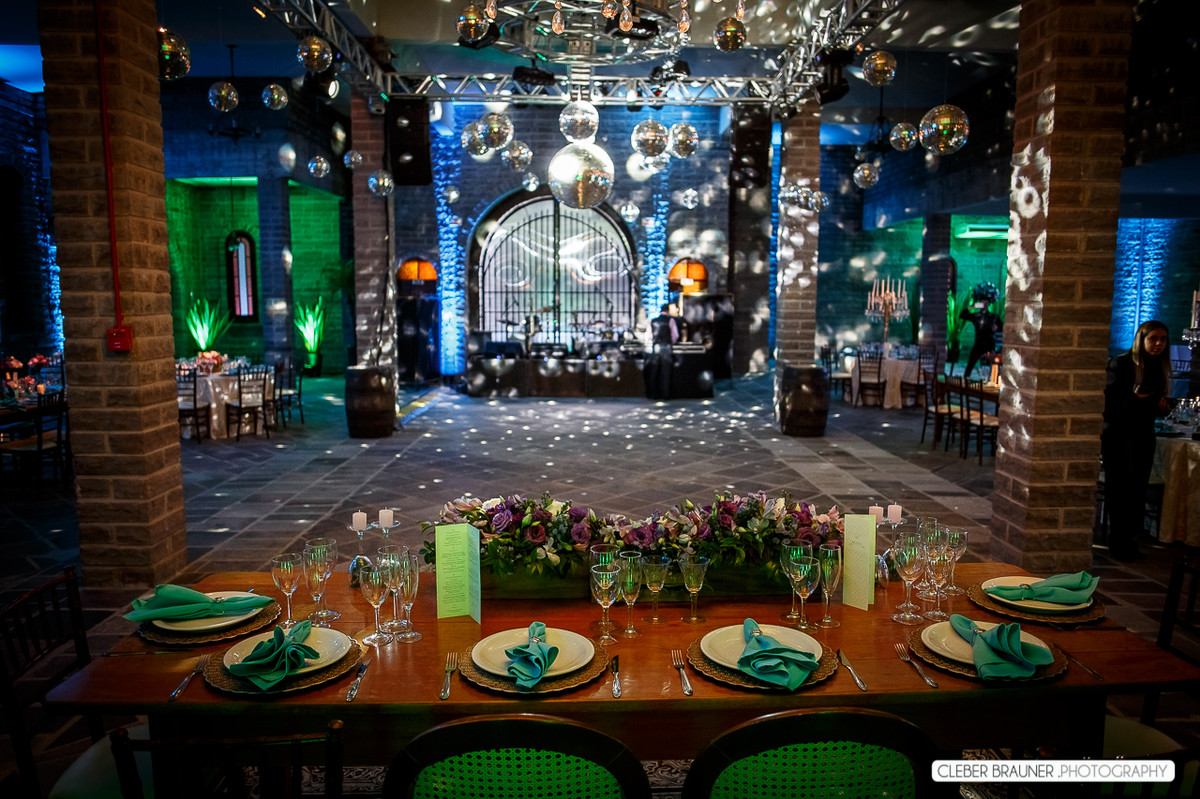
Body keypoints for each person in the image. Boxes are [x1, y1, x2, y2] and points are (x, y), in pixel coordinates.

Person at [1101, 320, 1172, 561]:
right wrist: (1135, 399)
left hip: (1144, 434)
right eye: (1153, 339)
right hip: (1119, 435)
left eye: (1163, 339)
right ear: (1142, 339)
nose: (1158, 344)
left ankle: (1129, 539)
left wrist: (1162, 407)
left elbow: (1151, 406)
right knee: (1120, 487)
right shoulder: (1121, 364)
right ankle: (1118, 541)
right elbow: (1109, 404)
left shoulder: (1158, 368)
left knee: (1137, 488)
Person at [960, 283, 1003, 378]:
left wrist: (996, 328)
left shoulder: (994, 317)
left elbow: (1002, 329)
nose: (984, 303)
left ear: (989, 303)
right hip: (978, 344)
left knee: (993, 367)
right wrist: (973, 306)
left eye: (986, 301)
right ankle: (965, 380)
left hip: (990, 345)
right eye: (982, 301)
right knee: (970, 364)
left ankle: (993, 382)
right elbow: (963, 315)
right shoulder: (976, 316)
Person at [645, 304, 680, 399]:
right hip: (666, 347)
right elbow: (675, 335)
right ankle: (665, 394)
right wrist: (671, 342)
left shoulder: (653, 320)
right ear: (668, 311)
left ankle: (652, 394)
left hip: (655, 347)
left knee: (654, 372)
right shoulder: (671, 320)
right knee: (666, 372)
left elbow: (649, 336)